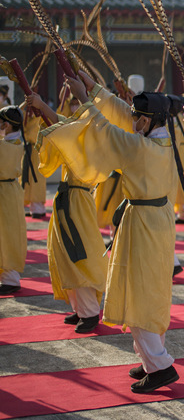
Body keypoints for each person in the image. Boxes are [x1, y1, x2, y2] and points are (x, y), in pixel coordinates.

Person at [45, 73, 182, 393]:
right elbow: (121, 112)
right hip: (155, 220)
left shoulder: (141, 149)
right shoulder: (161, 139)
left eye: (139, 117)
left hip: (144, 224)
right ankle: (151, 357)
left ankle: (160, 365)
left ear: (150, 120)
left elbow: (105, 132)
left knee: (139, 293)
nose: (132, 119)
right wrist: (93, 89)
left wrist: (84, 99)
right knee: (151, 290)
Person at [28, 91, 109, 332]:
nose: (74, 107)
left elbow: (63, 126)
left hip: (78, 201)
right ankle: (80, 308)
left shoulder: (91, 133)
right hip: (68, 198)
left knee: (79, 253)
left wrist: (43, 104)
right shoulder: (80, 129)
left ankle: (90, 312)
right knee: (64, 252)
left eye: (78, 102)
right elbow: (62, 126)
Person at [0, 106, 28, 295]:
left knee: (7, 235)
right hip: (10, 190)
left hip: (5, 192)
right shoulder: (16, 140)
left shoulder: (6, 145)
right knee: (9, 233)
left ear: (7, 125)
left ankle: (10, 278)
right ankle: (8, 276)